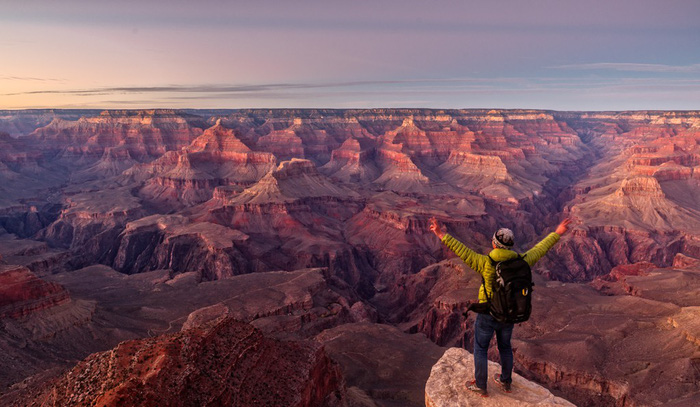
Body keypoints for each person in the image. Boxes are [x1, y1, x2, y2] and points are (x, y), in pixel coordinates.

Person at [428, 217, 572, 397]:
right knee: (504, 347)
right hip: (509, 314)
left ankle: (481, 385)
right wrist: (557, 233)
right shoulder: (522, 261)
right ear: (510, 246)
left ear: (495, 244)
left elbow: (462, 250)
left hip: (487, 314)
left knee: (480, 348)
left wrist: (440, 233)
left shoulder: (485, 263)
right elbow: (540, 249)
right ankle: (505, 381)